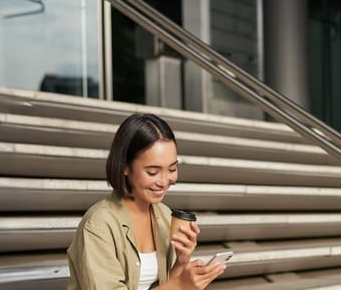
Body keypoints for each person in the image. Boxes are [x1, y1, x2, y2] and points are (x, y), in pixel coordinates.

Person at [67, 113, 225, 290]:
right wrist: (180, 286)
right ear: (125, 166)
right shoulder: (98, 225)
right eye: (152, 172)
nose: (165, 181)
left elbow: (162, 286)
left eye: (172, 169)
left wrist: (181, 262)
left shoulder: (164, 215)